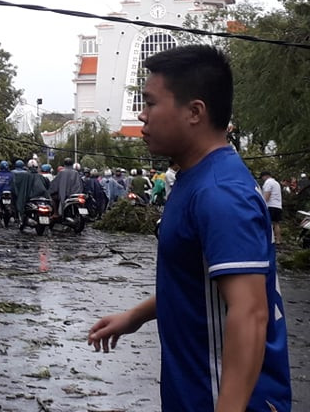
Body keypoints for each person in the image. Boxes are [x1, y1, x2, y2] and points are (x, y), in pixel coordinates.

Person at [87, 45, 290, 412]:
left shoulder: (220, 193)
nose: (142, 115)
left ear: (195, 112)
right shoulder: (193, 180)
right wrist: (133, 317)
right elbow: (197, 285)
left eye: (150, 103)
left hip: (225, 399)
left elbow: (250, 312)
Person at [261, 170, 283, 245]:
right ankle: (278, 240)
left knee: (267, 223)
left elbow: (267, 195)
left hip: (270, 206)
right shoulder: (276, 183)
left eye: (262, 177)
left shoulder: (268, 182)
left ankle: (269, 239)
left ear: (266, 176)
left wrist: (262, 204)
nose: (262, 179)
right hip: (278, 206)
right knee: (276, 224)